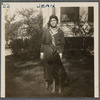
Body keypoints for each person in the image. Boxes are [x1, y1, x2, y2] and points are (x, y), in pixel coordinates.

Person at [40, 15, 65, 93]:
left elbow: (62, 43)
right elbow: (43, 42)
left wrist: (60, 52)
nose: (53, 22)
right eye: (51, 21)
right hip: (47, 50)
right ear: (49, 22)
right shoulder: (46, 31)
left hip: (56, 52)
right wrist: (41, 52)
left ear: (57, 22)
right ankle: (47, 83)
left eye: (54, 20)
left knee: (56, 69)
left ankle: (57, 85)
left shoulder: (60, 31)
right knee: (47, 68)